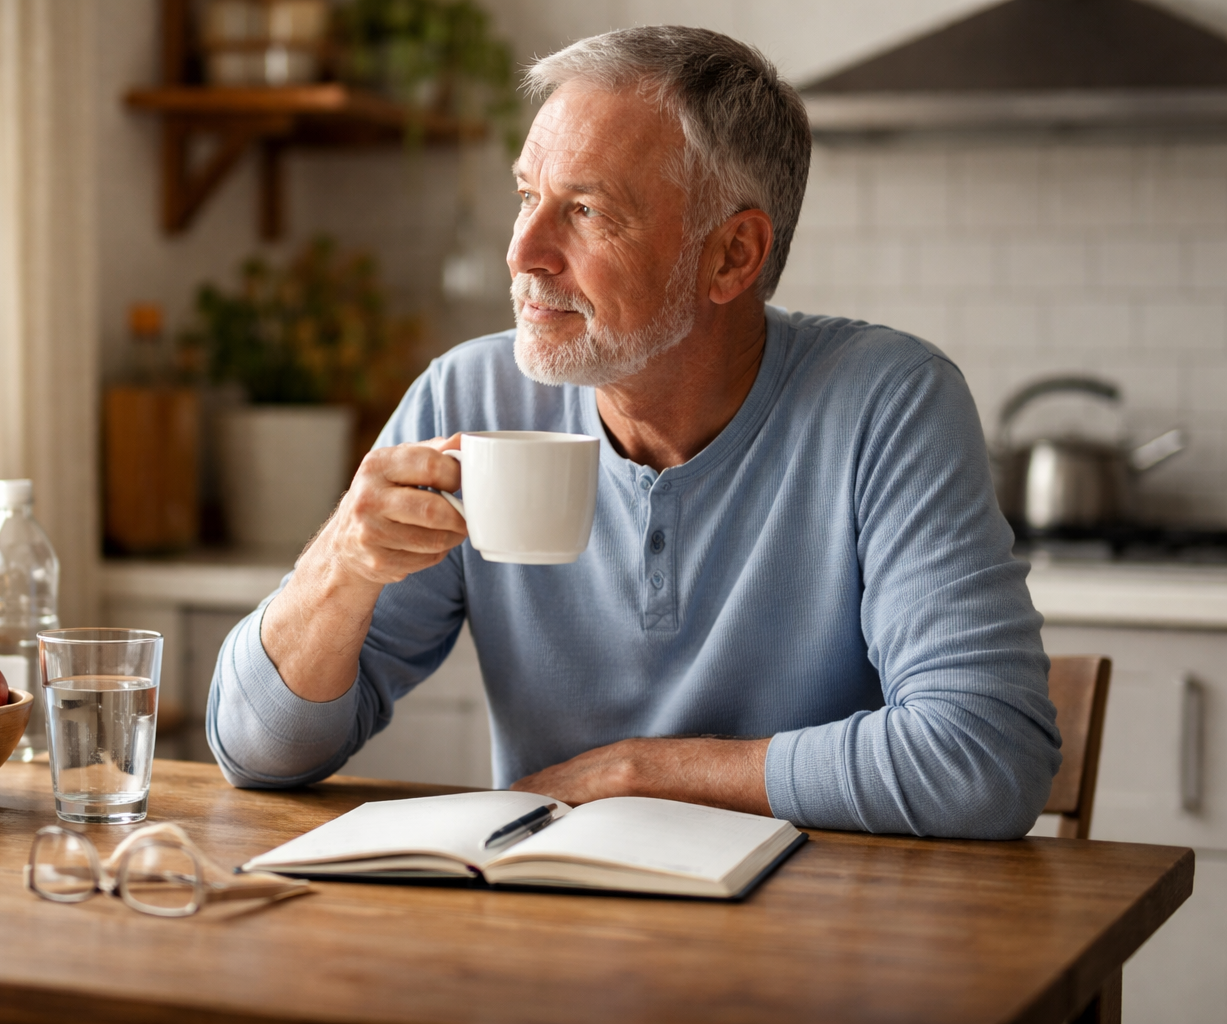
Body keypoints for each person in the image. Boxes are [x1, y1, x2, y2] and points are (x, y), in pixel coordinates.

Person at [206, 26, 1061, 840]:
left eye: (584, 211)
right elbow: (256, 753)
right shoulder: (471, 393)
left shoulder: (886, 402)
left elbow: (983, 757)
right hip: (555, 933)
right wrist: (341, 566)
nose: (524, 252)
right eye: (527, 197)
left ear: (732, 256)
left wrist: (638, 773)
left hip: (819, 940)